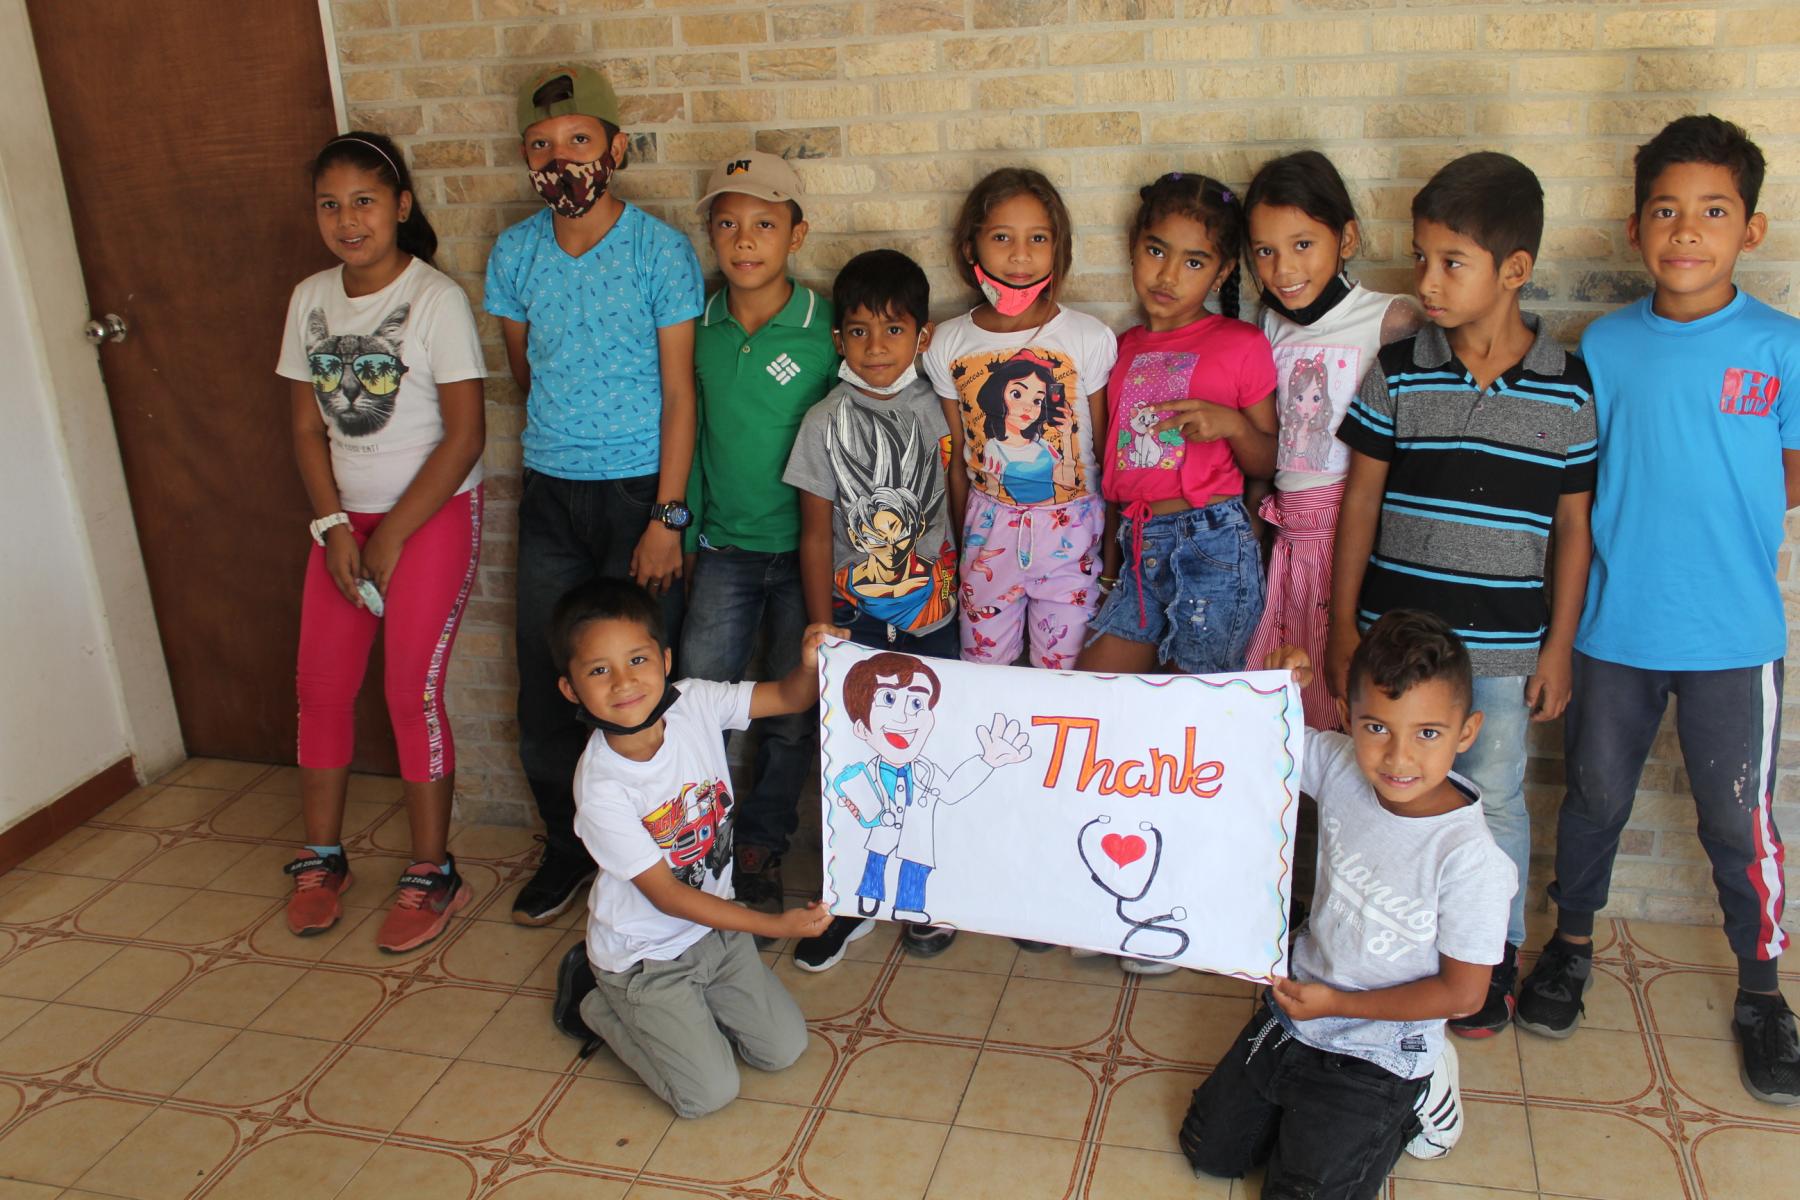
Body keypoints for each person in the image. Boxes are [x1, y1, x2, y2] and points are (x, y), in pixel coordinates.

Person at [1517, 115, 1800, 1104]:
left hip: (1734, 639)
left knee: (1738, 820)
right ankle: (1572, 946)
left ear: (1750, 230)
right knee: (1593, 798)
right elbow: (1578, 488)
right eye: (1667, 212)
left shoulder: (1781, 344)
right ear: (1638, 228)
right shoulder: (1606, 344)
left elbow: (1792, 474)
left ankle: (1764, 994)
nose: (1688, 231)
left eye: (1712, 211)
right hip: (1613, 630)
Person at [1326, 152, 1597, 1037]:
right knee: (1385, 792)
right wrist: (1340, 627)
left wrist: (1558, 646)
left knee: (1497, 801)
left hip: (1508, 650)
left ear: (1514, 270)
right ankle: (1386, 949)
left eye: (1452, 261)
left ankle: (1490, 967)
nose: (1427, 281)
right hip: (1393, 650)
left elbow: (1571, 530)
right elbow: (1358, 500)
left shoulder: (1568, 387)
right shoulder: (1400, 367)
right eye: (1421, 258)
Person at [1179, 611, 1515, 1199]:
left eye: (1428, 734)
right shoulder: (1340, 764)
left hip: (1387, 1045)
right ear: (1348, 715)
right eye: (1377, 728)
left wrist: (1340, 1002)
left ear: (1467, 732)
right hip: (1304, 1006)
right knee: (1209, 1150)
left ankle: (1428, 1088)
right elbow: (1256, 740)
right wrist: (1276, 686)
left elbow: (1465, 994)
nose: (1398, 758)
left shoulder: (1472, 860)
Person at [484, 64, 704, 927]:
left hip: (638, 500)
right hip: (550, 497)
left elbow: (682, 394)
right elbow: (523, 368)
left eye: (578, 140)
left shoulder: (659, 250)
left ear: (614, 146)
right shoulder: (515, 252)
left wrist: (667, 516)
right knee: (549, 684)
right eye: (541, 146)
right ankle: (569, 853)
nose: (560, 158)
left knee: (646, 687)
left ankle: (673, 858)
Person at [276, 132, 486, 952]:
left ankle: (432, 871)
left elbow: (465, 436)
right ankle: (321, 857)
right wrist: (334, 527)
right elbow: (303, 428)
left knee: (410, 695)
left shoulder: (436, 301)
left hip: (427, 520)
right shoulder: (309, 299)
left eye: (364, 200)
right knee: (320, 689)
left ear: (401, 205)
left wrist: (393, 535)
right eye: (330, 204)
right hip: (343, 525)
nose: (347, 219)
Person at [546, 577, 839, 1118]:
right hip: (645, 959)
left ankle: (685, 1016)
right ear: (571, 688)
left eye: (637, 660)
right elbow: (667, 897)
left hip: (714, 932)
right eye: (598, 670)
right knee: (706, 1094)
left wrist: (808, 663)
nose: (624, 683)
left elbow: (789, 696)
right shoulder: (602, 787)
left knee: (782, 1049)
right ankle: (596, 1002)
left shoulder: (695, 702)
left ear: (665, 658)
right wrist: (776, 926)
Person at [782, 249, 961, 968]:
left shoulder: (939, 411)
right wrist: (820, 622)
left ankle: (930, 894)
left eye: (893, 330)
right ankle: (851, 901)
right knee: (849, 762)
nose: (876, 347)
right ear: (838, 340)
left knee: (928, 760)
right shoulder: (824, 420)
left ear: (923, 335)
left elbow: (962, 503)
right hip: (852, 625)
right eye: (859, 332)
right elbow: (816, 530)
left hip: (934, 621)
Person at [681, 152, 838, 924]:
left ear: (796, 235)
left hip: (810, 557)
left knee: (789, 710)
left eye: (765, 225)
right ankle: (694, 844)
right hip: (724, 553)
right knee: (695, 694)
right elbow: (691, 429)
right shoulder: (699, 326)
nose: (745, 241)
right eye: (729, 225)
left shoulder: (824, 328)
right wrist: (679, 531)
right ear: (710, 236)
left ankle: (761, 847)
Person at [1240, 151, 1423, 731]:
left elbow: (1410, 452)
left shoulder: (1390, 320)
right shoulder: (1271, 324)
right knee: (1287, 707)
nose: (1282, 268)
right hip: (1289, 544)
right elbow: (1276, 445)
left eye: (1302, 245)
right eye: (1265, 251)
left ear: (1346, 238)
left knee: (1352, 701)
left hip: (1353, 545)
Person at [1079, 172, 1277, 689]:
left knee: (1192, 715)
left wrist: (1231, 424)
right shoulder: (1117, 348)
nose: (1168, 275)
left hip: (1211, 545)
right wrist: (1110, 564)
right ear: (1133, 248)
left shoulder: (1241, 343)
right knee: (1094, 696)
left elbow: (1268, 463)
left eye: (1194, 262)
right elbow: (1114, 471)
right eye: (1156, 251)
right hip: (1136, 546)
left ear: (1222, 272)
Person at [923, 167, 1119, 673]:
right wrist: (966, 545)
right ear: (972, 247)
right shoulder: (949, 343)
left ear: (1058, 247)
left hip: (1072, 540)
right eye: (1001, 237)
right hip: (988, 543)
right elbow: (957, 459)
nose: (1020, 254)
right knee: (984, 676)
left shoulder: (1087, 337)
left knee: (1066, 678)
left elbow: (1102, 451)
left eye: (1038, 238)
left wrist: (1110, 551)